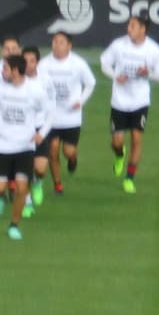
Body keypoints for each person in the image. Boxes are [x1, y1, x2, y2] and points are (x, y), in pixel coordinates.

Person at [0, 54, 52, 241]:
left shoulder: (35, 91)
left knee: (22, 188)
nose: (2, 71)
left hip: (25, 147)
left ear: (15, 70)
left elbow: (50, 113)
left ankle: (14, 225)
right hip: (2, 146)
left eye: (5, 68)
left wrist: (42, 133)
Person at [100, 13, 159, 194]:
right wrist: (115, 75)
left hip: (140, 101)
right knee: (116, 142)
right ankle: (119, 155)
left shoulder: (153, 50)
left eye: (132, 26)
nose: (128, 29)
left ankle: (129, 178)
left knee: (137, 140)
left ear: (143, 29)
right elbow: (104, 63)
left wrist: (148, 73)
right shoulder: (118, 45)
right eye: (128, 25)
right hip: (119, 101)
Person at [39, 31, 97, 195]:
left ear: (69, 45)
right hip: (51, 116)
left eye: (61, 42)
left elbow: (90, 83)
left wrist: (81, 101)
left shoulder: (78, 64)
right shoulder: (43, 64)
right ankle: (58, 184)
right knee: (53, 150)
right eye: (55, 41)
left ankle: (73, 159)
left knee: (68, 151)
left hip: (71, 117)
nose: (57, 45)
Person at [21, 46, 53, 215]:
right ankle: (27, 203)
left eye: (31, 61)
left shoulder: (46, 81)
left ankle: (37, 182)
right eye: (24, 61)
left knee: (40, 169)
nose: (27, 64)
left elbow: (51, 110)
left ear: (37, 63)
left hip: (40, 128)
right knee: (24, 168)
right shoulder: (16, 79)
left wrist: (42, 133)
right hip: (21, 130)